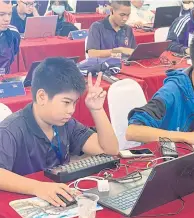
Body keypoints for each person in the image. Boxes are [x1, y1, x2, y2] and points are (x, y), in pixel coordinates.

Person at [0, 57, 119, 207]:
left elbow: (109, 150)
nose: (71, 110)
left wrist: (97, 109)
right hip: (22, 203)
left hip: (60, 199)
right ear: (42, 97)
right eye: (66, 102)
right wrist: (38, 187)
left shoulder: (66, 124)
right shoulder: (11, 130)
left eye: (75, 103)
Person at [0, 0, 20, 74]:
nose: (7, 19)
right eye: (1, 14)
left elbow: (13, 54)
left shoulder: (14, 33)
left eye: (9, 14)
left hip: (5, 79)